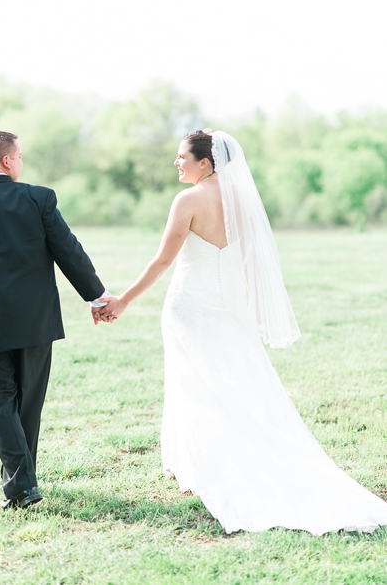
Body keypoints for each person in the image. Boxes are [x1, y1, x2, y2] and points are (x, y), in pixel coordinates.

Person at [97, 129, 387, 534]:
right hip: (229, 310)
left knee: (197, 386)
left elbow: (164, 260)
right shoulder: (242, 201)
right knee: (235, 386)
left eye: (183, 157)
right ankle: (201, 462)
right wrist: (248, 311)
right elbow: (251, 264)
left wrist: (123, 300)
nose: (176, 163)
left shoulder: (189, 200)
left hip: (191, 308)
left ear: (206, 163)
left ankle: (208, 468)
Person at [0, 130, 107, 509]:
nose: (22, 163)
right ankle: (23, 484)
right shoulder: (38, 198)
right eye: (20, 157)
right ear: (8, 161)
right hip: (35, 324)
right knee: (26, 404)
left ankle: (22, 485)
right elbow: (68, 250)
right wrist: (96, 295)